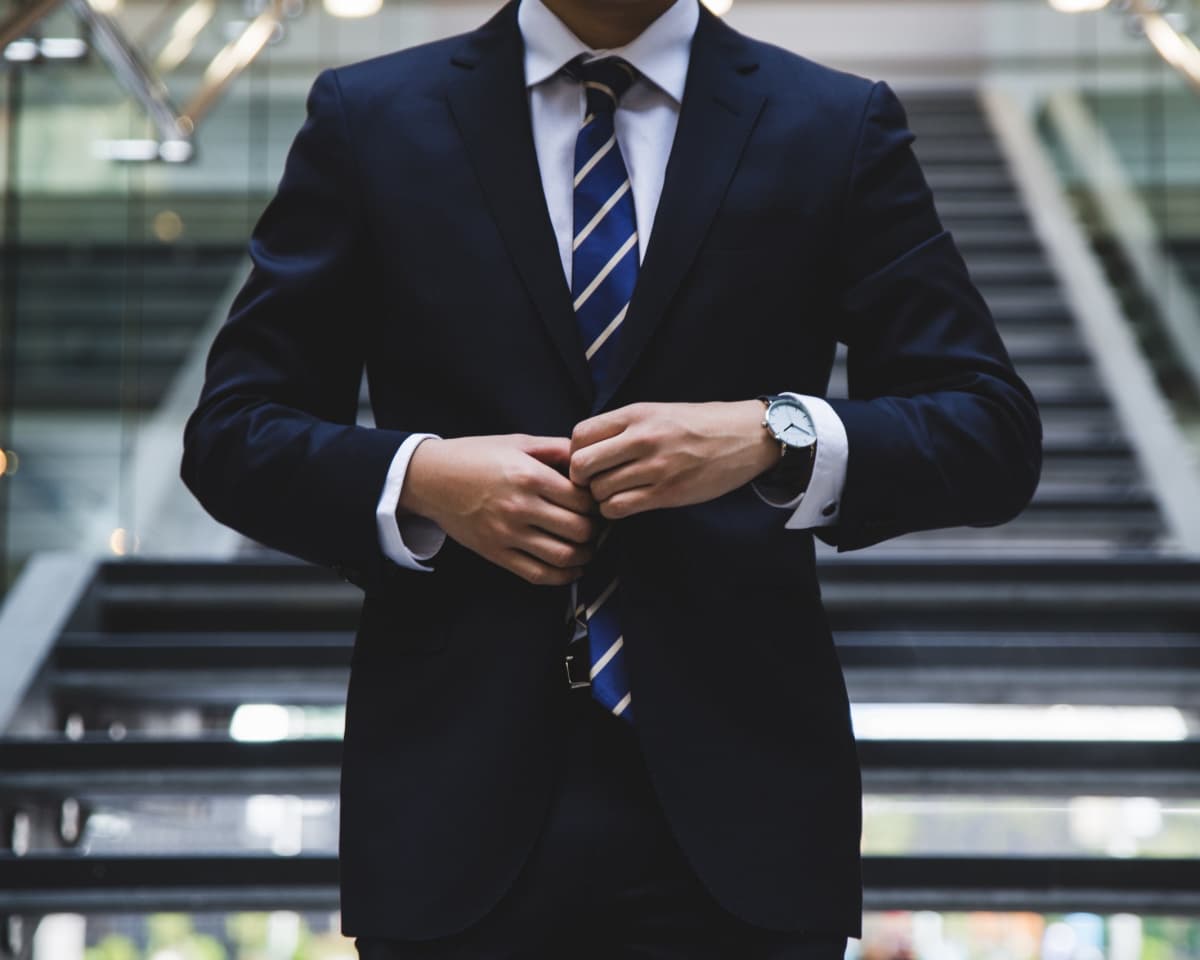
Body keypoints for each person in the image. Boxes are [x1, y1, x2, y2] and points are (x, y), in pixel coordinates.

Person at [181, 0, 1043, 954]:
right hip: (450, 806)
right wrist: (420, 477)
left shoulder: (833, 123)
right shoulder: (372, 117)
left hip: (744, 815)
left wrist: (775, 432)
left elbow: (989, 430)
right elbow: (232, 433)